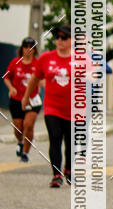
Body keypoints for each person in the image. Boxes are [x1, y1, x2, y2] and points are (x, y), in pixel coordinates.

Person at [22, 24, 74, 188]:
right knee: (55, 137)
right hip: (52, 107)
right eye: (57, 37)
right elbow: (34, 79)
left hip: (74, 110)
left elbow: (93, 77)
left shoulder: (80, 59)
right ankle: (56, 174)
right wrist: (26, 97)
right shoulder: (46, 58)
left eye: (64, 37)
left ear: (72, 40)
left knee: (71, 142)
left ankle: (69, 170)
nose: (59, 40)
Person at [3, 37, 41, 162]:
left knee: (28, 125)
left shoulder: (37, 63)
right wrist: (11, 88)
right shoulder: (15, 62)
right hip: (16, 100)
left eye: (31, 47)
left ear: (34, 50)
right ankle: (20, 141)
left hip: (32, 100)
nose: (28, 49)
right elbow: (6, 77)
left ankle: (25, 152)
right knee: (18, 128)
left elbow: (43, 78)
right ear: (22, 48)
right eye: (26, 46)